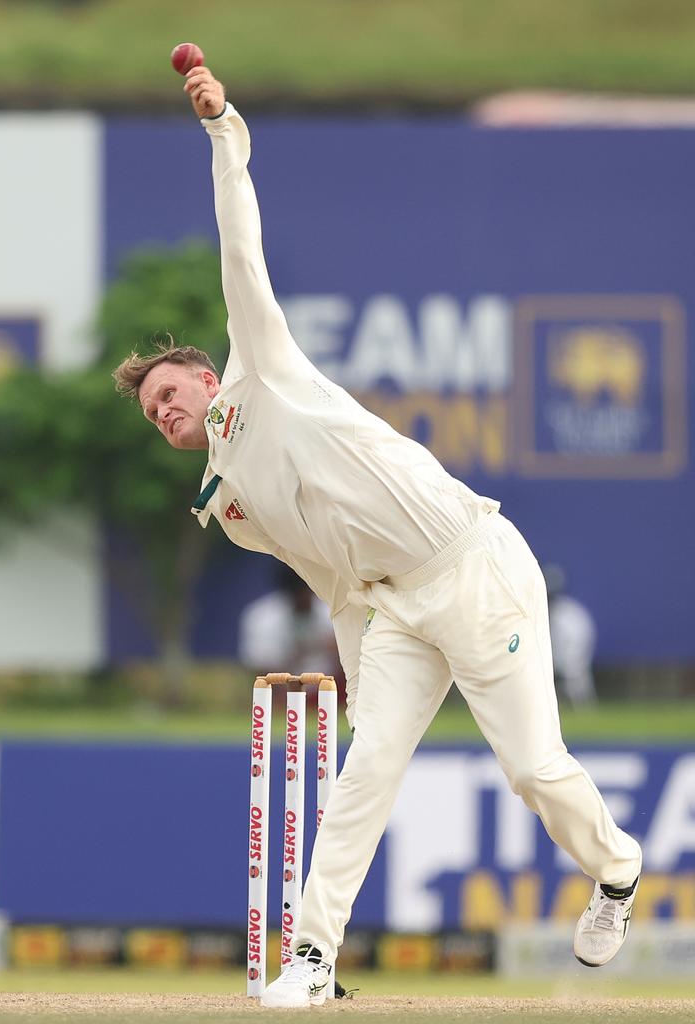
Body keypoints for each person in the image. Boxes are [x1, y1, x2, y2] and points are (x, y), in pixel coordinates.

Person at [113, 66, 642, 1008]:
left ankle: (615, 870)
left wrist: (221, 127)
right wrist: (358, 661)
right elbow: (338, 581)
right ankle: (313, 961)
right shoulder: (229, 510)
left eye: (167, 394)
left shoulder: (263, 367)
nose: (162, 413)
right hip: (393, 609)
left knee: (533, 770)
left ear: (202, 374)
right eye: (151, 412)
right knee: (366, 772)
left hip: (474, 566)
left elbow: (241, 243)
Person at [238, 564, 341, 680]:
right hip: (282, 689)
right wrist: (293, 657)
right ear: (288, 593)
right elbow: (257, 669)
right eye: (300, 594)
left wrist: (335, 649)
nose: (305, 599)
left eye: (308, 592)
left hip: (329, 688)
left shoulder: (333, 612)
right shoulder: (261, 618)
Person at [544, 564, 598, 705]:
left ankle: (582, 708)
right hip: (553, 661)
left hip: (570, 659)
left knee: (575, 681)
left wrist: (561, 666)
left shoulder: (568, 613)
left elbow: (579, 640)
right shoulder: (544, 610)